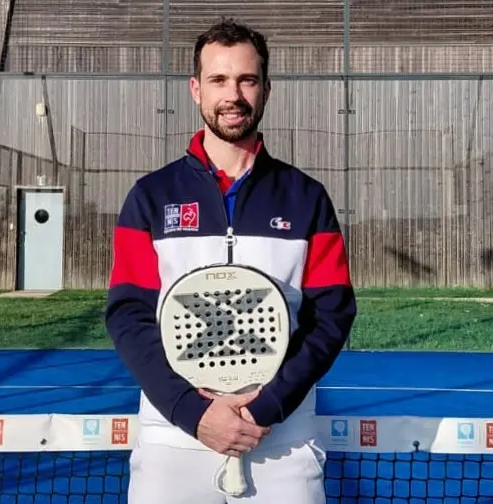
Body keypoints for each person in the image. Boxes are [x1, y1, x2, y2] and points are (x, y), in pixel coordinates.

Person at [104, 18, 356, 504]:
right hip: (174, 437)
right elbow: (129, 314)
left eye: (247, 80)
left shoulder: (306, 197)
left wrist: (268, 407)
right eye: (218, 79)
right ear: (196, 89)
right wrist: (191, 412)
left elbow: (331, 313)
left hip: (281, 436)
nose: (233, 95)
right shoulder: (150, 196)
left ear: (266, 89)